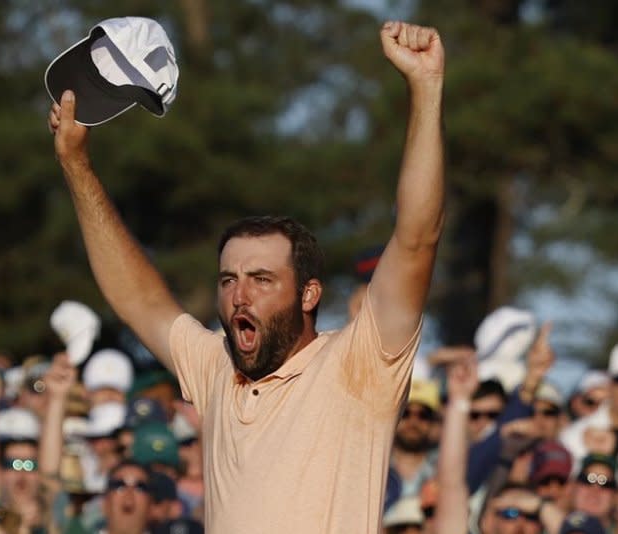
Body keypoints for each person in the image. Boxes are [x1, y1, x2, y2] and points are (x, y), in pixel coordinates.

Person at [49, 19, 445, 532]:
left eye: (261, 279)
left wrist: (427, 88)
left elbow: (416, 238)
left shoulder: (358, 365)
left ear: (309, 294)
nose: (239, 295)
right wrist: (77, 166)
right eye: (228, 279)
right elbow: (139, 299)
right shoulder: (216, 368)